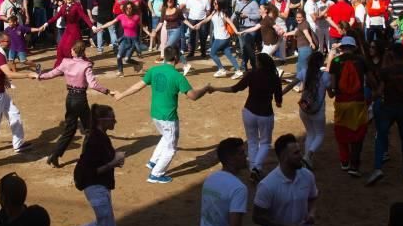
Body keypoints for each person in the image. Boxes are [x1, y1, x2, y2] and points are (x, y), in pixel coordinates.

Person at [114, 46, 211, 184]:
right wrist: (206, 88)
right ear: (177, 59)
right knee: (171, 148)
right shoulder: (178, 77)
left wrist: (121, 95)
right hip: (169, 117)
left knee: (166, 137)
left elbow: (137, 86)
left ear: (164, 57)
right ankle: (156, 174)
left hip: (155, 114)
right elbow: (193, 96)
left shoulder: (153, 71)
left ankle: (153, 161)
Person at [67, 104, 125, 226]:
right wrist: (113, 163)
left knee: (104, 223)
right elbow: (91, 171)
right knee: (107, 224)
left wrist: (115, 159)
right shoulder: (95, 141)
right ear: (103, 120)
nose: (115, 120)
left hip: (100, 185)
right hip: (95, 187)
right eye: (112, 117)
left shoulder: (100, 137)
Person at [39, 40, 113, 167]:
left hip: (70, 98)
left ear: (73, 51)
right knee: (89, 130)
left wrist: (39, 76)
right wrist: (107, 91)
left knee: (70, 130)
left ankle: (55, 155)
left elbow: (52, 73)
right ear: (83, 52)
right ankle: (86, 158)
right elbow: (93, 84)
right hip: (80, 100)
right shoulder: (86, 65)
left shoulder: (66, 62)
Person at [214, 52, 282, 182]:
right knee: (265, 143)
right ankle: (256, 168)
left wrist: (216, 88)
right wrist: (275, 98)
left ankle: (252, 168)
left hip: (249, 111)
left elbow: (235, 88)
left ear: (260, 63)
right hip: (265, 114)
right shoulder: (274, 78)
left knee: (252, 141)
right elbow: (278, 102)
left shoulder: (252, 74)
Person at [0, 32, 37, 157]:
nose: (10, 43)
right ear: (0, 42)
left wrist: (3, 80)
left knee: (14, 113)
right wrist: (27, 74)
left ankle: (18, 144)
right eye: (7, 41)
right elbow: (8, 73)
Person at [366, 43, 403, 185]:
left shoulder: (386, 71)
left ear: (392, 54)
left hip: (388, 106)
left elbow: (379, 91)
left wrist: (374, 94)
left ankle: (378, 168)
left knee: (381, 135)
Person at [329, 35, 369, 177]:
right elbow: (369, 79)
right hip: (358, 101)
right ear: (353, 47)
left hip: (341, 101)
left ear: (342, 48)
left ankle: (344, 161)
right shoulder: (361, 60)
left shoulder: (336, 61)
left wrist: (331, 92)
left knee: (342, 132)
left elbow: (333, 85)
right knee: (358, 132)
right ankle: (354, 165)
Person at [285, 51, 330, 170]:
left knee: (310, 133)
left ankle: (307, 159)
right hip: (318, 110)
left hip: (304, 109)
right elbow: (330, 92)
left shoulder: (304, 72)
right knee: (319, 134)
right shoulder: (325, 76)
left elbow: (291, 85)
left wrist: (281, 94)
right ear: (321, 62)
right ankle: (308, 155)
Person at [197, 0, 243, 79]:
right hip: (224, 38)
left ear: (220, 4)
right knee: (229, 55)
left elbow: (230, 23)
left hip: (221, 38)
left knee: (212, 53)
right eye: (214, 3)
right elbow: (207, 19)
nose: (214, 5)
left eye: (216, 3)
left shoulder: (222, 13)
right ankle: (238, 71)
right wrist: (200, 24)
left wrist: (236, 32)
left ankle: (221, 69)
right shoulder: (214, 12)